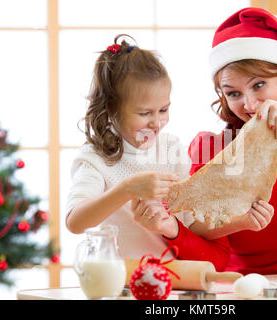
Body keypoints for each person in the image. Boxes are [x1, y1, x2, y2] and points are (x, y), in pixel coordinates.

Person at [132, 8, 277, 274]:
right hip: (237, 291)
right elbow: (212, 257)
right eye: (233, 93)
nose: (249, 105)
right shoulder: (214, 149)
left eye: (259, 85)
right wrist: (171, 229)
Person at [65, 34, 214, 260]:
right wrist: (127, 189)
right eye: (144, 113)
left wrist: (240, 221)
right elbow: (75, 221)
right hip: (118, 281)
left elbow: (191, 223)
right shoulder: (95, 158)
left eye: (163, 110)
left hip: (170, 278)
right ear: (111, 111)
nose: (156, 122)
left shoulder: (171, 148)